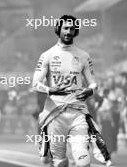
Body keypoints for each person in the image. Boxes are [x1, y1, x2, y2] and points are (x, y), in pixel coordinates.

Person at [32, 15, 110, 167]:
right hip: (55, 115)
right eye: (65, 28)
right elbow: (35, 84)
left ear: (76, 31)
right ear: (58, 29)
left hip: (78, 114)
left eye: (72, 29)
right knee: (60, 162)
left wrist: (90, 91)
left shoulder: (83, 55)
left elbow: (94, 84)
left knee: (83, 160)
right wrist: (50, 90)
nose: (69, 32)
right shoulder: (47, 55)